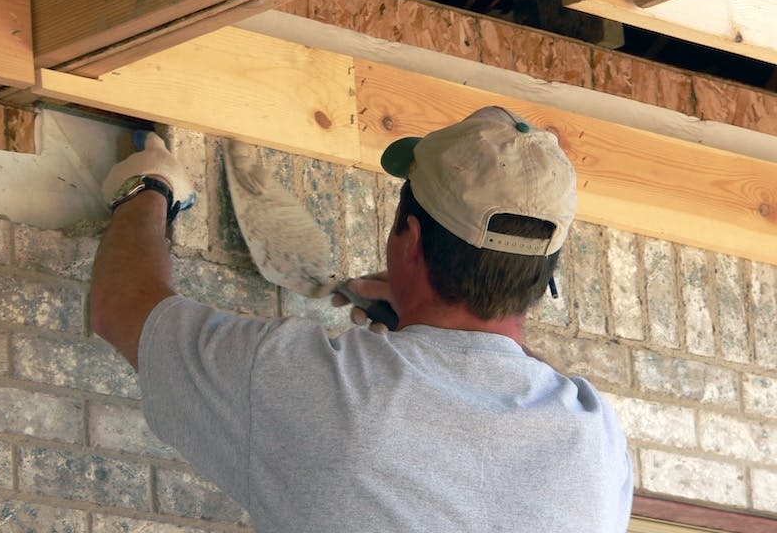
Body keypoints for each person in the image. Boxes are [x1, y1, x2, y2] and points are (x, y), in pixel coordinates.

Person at [90, 107, 633, 533]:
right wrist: (425, 327)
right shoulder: (598, 441)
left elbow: (123, 306)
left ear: (411, 242)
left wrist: (148, 189)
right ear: (544, 279)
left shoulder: (325, 389)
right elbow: (517, 373)